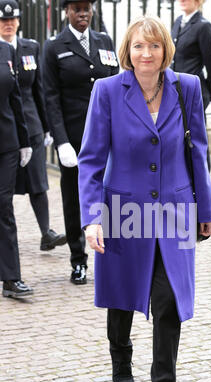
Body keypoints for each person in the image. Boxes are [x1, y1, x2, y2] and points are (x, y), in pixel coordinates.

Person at [78, 15, 211, 382]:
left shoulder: (185, 87)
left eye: (154, 46)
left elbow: (199, 152)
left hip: (174, 213)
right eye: (139, 46)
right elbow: (91, 160)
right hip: (124, 211)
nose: (146, 54)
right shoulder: (106, 91)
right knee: (122, 297)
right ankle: (120, 354)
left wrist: (206, 209)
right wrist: (92, 217)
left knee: (168, 304)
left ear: (165, 51)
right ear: (128, 50)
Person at [42, 0, 119, 285]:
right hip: (75, 140)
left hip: (107, 136)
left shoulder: (104, 41)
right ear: (66, 12)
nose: (83, 14)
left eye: (87, 8)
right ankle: (78, 260)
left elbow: (117, 86)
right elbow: (51, 97)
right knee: (74, 201)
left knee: (111, 195)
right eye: (77, 9)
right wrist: (60, 141)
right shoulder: (54, 47)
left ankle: (113, 254)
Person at [0, 0, 67, 251]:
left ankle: (46, 233)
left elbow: (39, 89)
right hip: (6, 128)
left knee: (38, 181)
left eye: (12, 20)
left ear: (18, 21)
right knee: (5, 189)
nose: (8, 24)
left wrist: (47, 126)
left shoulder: (31, 47)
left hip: (32, 125)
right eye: (3, 21)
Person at [0, 32, 33, 298]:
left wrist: (24, 141)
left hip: (6, 142)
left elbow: (15, 97)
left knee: (4, 206)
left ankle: (11, 278)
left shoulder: (5, 51)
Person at [171, 0, 211, 171]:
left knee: (197, 140)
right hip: (175, 90)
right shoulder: (178, 21)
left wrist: (207, 89)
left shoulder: (203, 26)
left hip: (193, 92)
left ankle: (203, 181)